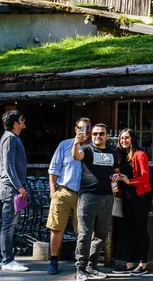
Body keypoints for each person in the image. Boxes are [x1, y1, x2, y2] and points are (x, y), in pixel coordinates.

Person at [72, 123, 118, 281]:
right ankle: (80, 268)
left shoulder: (113, 152)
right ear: (92, 136)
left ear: (107, 136)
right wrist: (76, 143)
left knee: (101, 234)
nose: (98, 136)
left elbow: (115, 171)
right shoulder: (87, 149)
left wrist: (116, 178)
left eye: (101, 134)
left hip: (107, 197)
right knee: (84, 234)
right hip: (88, 197)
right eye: (95, 134)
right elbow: (76, 156)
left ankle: (92, 266)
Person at [45, 117, 91, 275]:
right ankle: (53, 259)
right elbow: (53, 169)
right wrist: (53, 191)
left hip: (84, 194)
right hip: (64, 190)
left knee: (82, 230)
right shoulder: (65, 145)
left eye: (87, 128)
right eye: (81, 128)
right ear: (75, 129)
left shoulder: (92, 148)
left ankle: (80, 262)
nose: (83, 131)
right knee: (56, 227)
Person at [111, 129, 152, 276]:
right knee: (127, 230)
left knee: (140, 229)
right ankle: (129, 264)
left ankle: (143, 264)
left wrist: (130, 181)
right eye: (121, 138)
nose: (123, 140)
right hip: (126, 196)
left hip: (141, 196)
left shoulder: (140, 155)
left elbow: (145, 177)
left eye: (127, 138)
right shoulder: (121, 157)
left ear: (133, 139)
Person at [0, 110, 29, 272]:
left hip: (11, 187)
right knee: (9, 225)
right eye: (22, 119)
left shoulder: (11, 138)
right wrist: (19, 187)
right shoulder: (10, 138)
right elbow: (8, 166)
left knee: (7, 224)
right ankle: (8, 261)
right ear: (15, 123)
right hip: (11, 188)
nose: (24, 121)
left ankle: (1, 259)